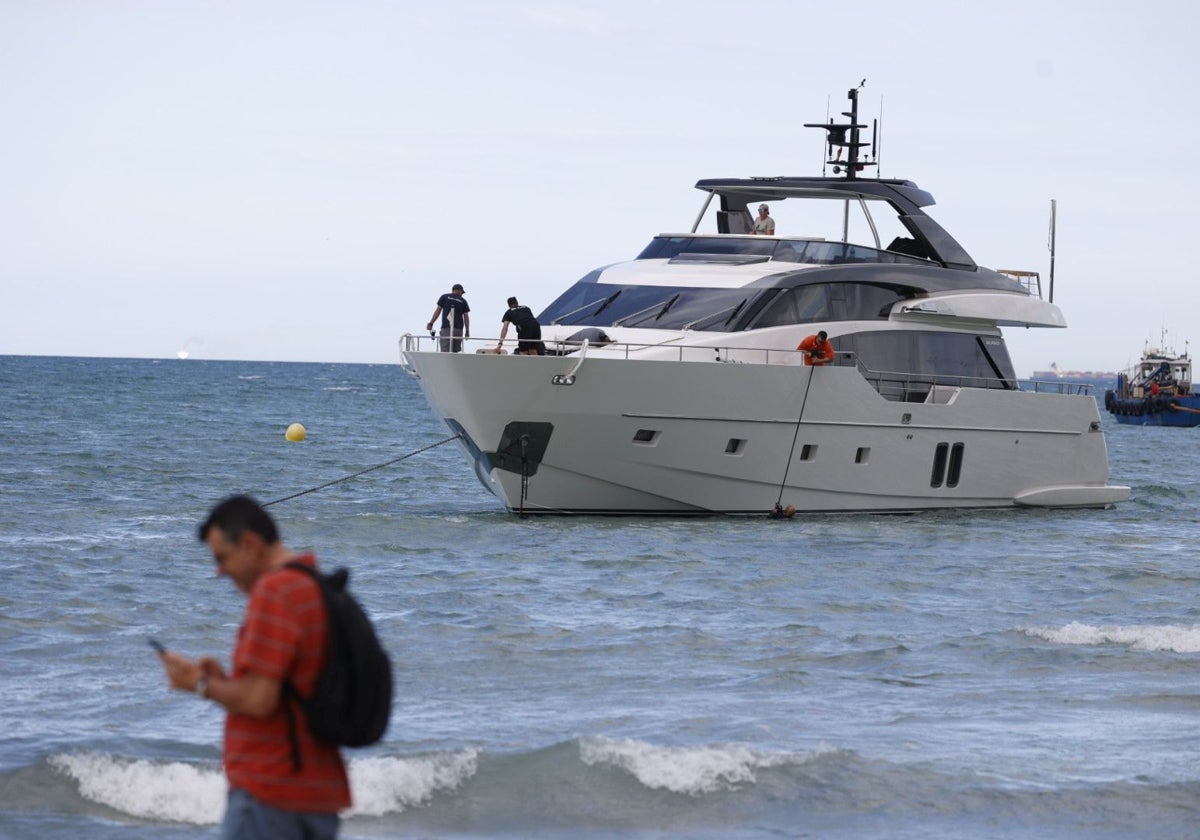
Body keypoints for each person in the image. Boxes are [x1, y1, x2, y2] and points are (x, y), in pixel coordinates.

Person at [158, 495, 350, 839]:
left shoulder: (275, 591)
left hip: (270, 792)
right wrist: (226, 682)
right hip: (317, 792)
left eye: (222, 558)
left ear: (250, 544)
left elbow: (259, 700)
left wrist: (198, 683)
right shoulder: (313, 584)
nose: (219, 571)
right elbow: (288, 692)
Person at [426, 283, 471, 352]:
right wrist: (467, 331)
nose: (461, 294)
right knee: (455, 353)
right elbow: (466, 317)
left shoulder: (444, 297)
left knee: (445, 352)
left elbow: (438, 311)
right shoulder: (463, 301)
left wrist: (431, 323)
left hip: (446, 329)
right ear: (458, 290)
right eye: (462, 292)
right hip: (458, 330)